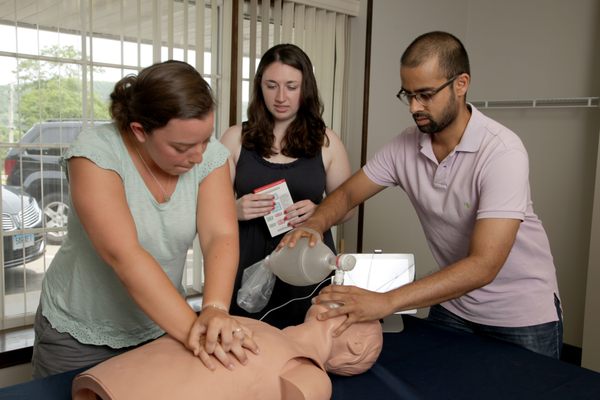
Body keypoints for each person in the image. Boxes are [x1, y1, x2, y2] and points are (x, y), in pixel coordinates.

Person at [281, 31, 563, 358]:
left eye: (426, 94)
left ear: (461, 84)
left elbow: (484, 265)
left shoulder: (501, 152)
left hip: (521, 315)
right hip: (456, 306)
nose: (415, 107)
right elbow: (345, 196)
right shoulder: (405, 145)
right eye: (408, 94)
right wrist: (315, 224)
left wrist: (387, 300)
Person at [31, 60, 258, 379]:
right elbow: (124, 255)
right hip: (79, 332)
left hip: (162, 324)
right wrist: (200, 335)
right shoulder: (96, 153)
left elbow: (219, 234)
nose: (198, 155)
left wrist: (215, 308)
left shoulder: (208, 156)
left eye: (205, 140)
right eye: (182, 147)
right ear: (139, 131)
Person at [220, 43, 354, 328]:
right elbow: (207, 208)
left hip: (307, 261)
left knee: (307, 344)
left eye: (291, 86)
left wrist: (320, 211)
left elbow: (348, 208)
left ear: (305, 89)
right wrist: (234, 209)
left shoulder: (327, 142)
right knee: (244, 347)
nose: (281, 97)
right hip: (245, 261)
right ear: (259, 88)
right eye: (272, 85)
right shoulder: (234, 139)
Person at [71, 304, 383, 400]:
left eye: (351, 309)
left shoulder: (309, 373)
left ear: (355, 347)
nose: (339, 298)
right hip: (110, 378)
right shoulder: (257, 324)